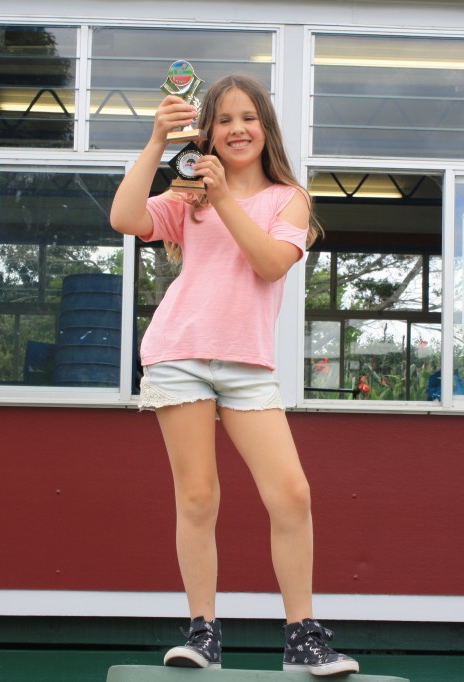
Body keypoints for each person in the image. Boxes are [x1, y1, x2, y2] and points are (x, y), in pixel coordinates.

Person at [110, 73, 359, 677]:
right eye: (223, 120)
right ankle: (203, 634)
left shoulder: (288, 198)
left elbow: (271, 264)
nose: (237, 129)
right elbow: (123, 217)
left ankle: (302, 636)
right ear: (208, 133)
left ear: (265, 127)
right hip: (179, 354)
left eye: (248, 117)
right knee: (198, 496)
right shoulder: (187, 198)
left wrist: (222, 197)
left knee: (291, 494)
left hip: (247, 365)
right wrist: (157, 141)